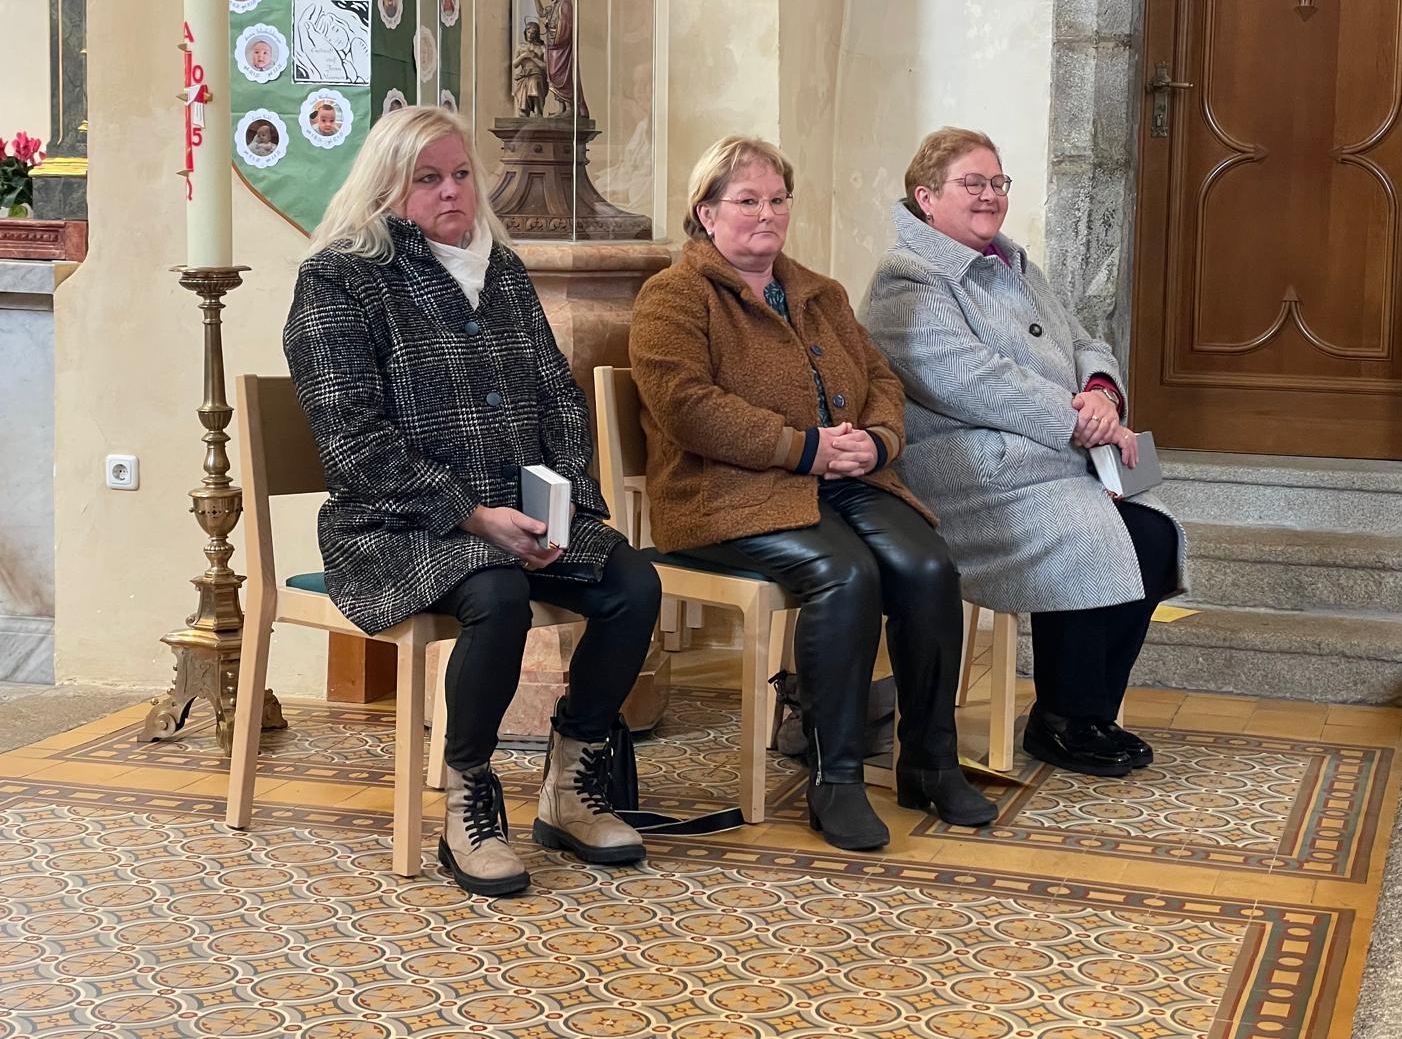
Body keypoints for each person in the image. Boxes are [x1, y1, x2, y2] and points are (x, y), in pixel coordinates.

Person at [283, 107, 663, 897]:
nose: (451, 191)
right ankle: (468, 801)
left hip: (517, 516)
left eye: (460, 174)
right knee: (497, 592)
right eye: (428, 179)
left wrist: (564, 506)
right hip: (395, 526)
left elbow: (559, 400)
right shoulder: (338, 280)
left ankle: (571, 782)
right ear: (386, 188)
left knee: (633, 582)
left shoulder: (503, 270)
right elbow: (354, 441)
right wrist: (471, 514)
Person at [629, 136, 995, 852]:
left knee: (928, 566)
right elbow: (686, 407)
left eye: (778, 199)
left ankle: (930, 763)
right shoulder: (673, 296)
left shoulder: (819, 293)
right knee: (846, 575)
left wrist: (878, 441)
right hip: (726, 493)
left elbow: (881, 378)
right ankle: (837, 779)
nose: (767, 214)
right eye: (747, 200)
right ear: (706, 213)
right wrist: (803, 447)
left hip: (840, 481)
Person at [862, 128, 1187, 779]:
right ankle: (1063, 720)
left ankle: (1087, 712)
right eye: (972, 183)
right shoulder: (907, 279)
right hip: (971, 476)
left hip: (1053, 457)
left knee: (1155, 533)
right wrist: (1082, 422)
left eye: (998, 182)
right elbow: (969, 378)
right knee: (1090, 533)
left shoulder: (1015, 264)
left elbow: (1086, 340)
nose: (990, 196)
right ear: (927, 198)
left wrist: (1102, 394)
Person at [542, 0, 586, 118]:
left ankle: (569, 107)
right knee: (553, 76)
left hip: (561, 48)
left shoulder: (565, 5)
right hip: (552, 47)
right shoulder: (556, 5)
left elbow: (566, 26)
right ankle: (561, 108)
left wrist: (555, 37)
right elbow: (543, 14)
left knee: (562, 76)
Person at [512, 19, 548, 117]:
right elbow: (515, 64)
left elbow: (546, 67)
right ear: (525, 32)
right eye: (528, 32)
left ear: (537, 34)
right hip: (524, 75)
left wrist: (534, 58)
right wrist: (524, 56)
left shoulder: (542, 48)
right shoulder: (521, 47)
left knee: (533, 82)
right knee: (525, 85)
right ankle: (524, 110)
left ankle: (537, 109)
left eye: (533, 33)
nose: (530, 35)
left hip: (538, 75)